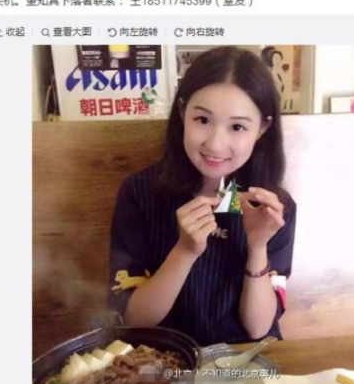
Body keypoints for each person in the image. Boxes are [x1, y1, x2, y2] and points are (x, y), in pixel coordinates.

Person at [108, 46, 296, 346]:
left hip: (243, 359)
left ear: (263, 127)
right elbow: (135, 320)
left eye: (237, 126)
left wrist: (258, 246)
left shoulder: (273, 209)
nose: (216, 144)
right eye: (203, 120)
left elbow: (258, 329)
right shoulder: (140, 193)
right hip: (165, 357)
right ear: (183, 112)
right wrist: (184, 251)